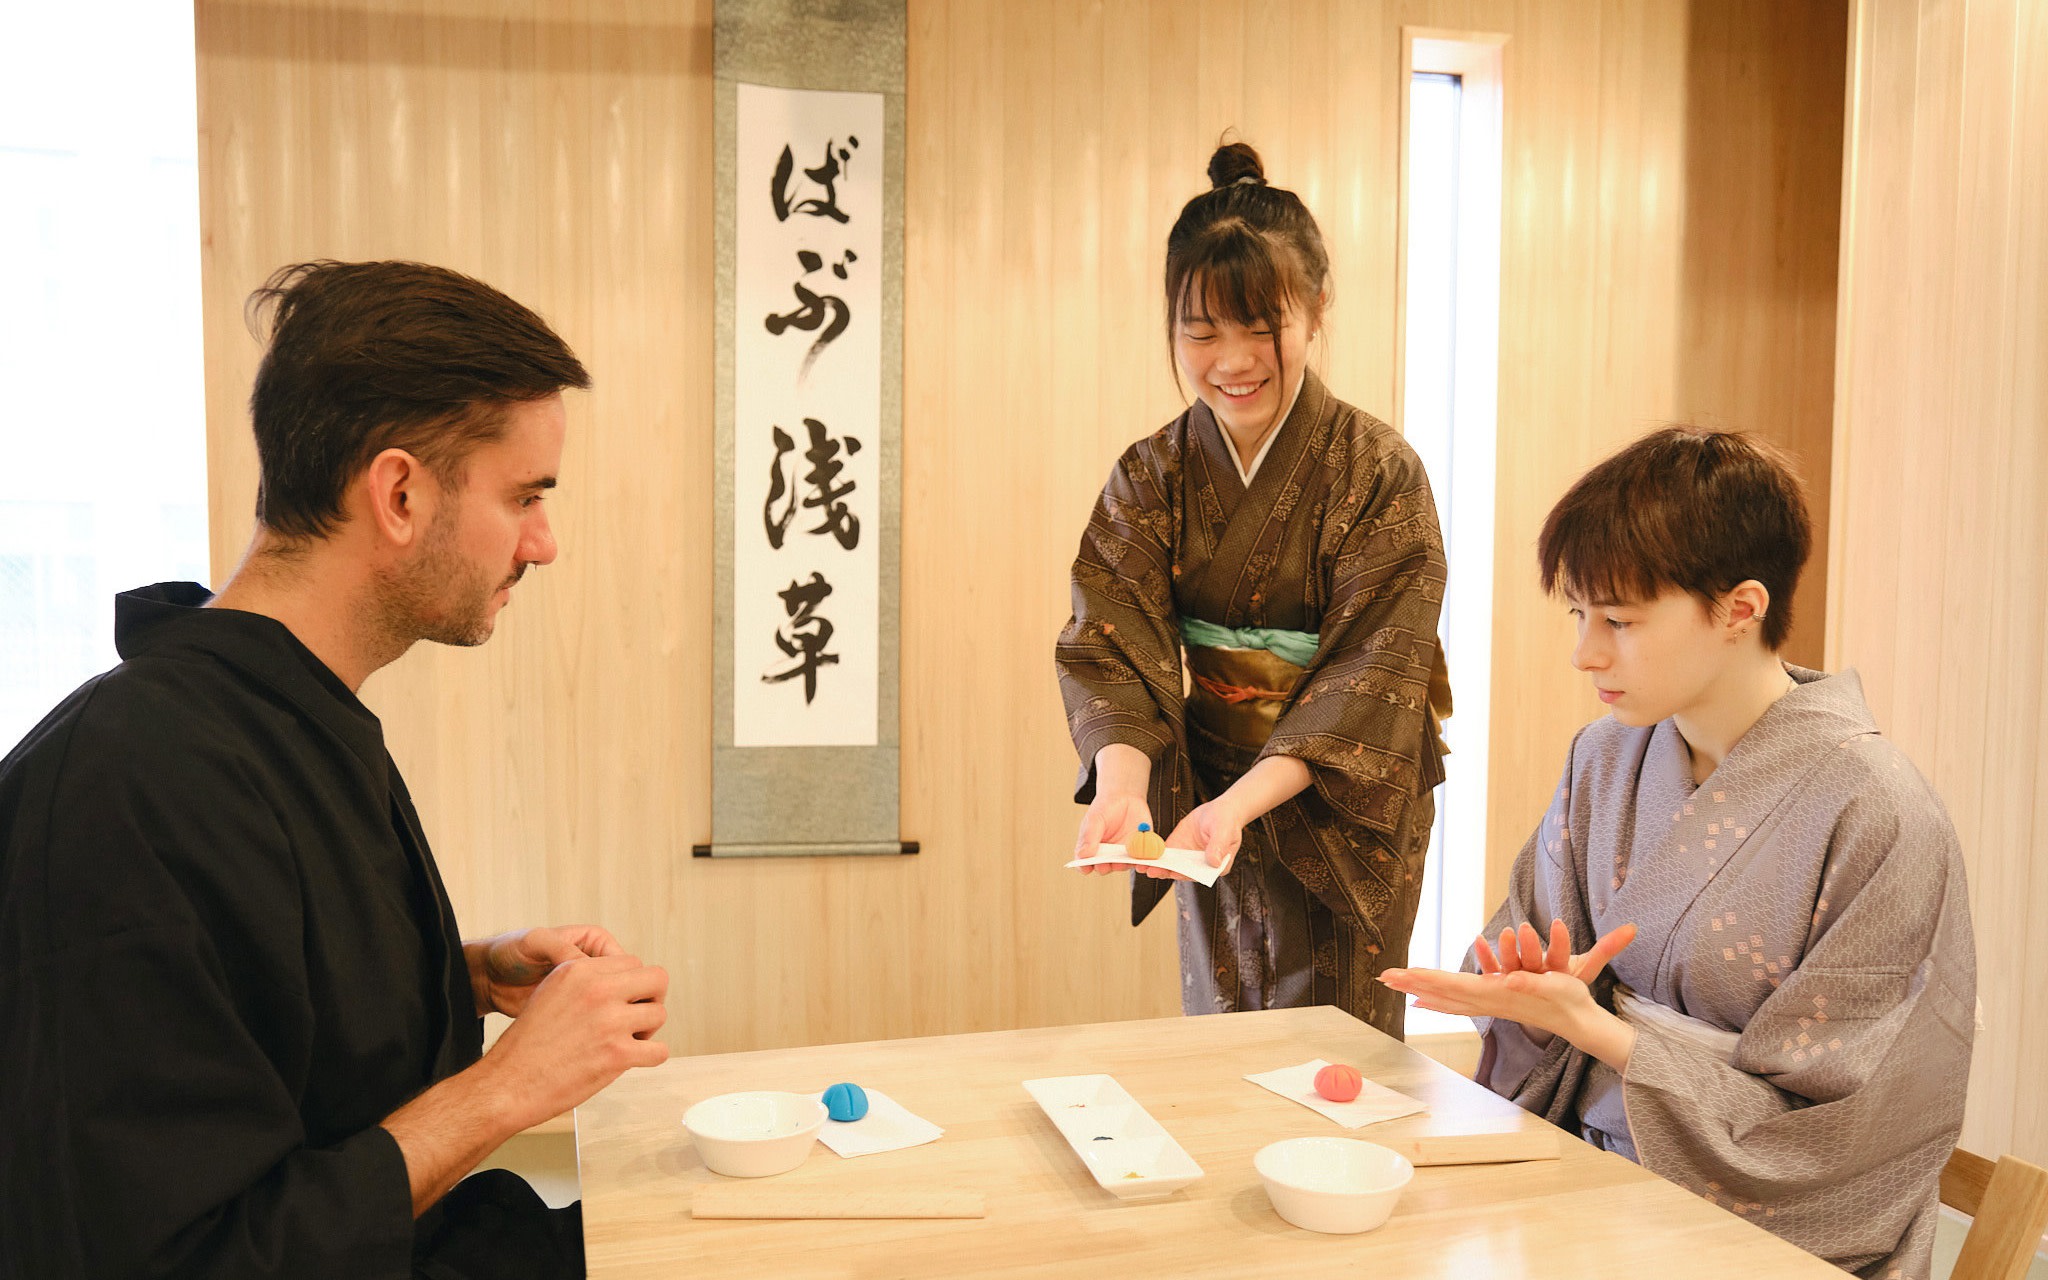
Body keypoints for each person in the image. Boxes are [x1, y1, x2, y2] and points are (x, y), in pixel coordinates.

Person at [0, 260, 671, 1279]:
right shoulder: (125, 780)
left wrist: (470, 969)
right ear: (398, 491)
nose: (544, 542)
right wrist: (505, 1088)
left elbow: (265, 1004)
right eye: (524, 494)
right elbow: (178, 1253)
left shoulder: (282, 719)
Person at [1379, 428, 1976, 1278]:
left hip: (1767, 1240)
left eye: (1620, 621)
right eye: (1581, 615)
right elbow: (1547, 986)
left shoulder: (1879, 812)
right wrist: (1533, 1003)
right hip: (1586, 1178)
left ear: (1741, 609)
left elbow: (1846, 1136)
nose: (1587, 652)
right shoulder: (1604, 757)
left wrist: (1608, 1036)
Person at [1056, 142, 1452, 1037]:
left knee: (1335, 1050)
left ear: (1314, 309)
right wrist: (1124, 784)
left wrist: (1237, 807)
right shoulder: (1152, 474)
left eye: (1259, 325)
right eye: (1201, 331)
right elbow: (1113, 644)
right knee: (1222, 1035)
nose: (1230, 359)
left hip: (1342, 805)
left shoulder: (1378, 472)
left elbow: (1375, 673)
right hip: (1209, 790)